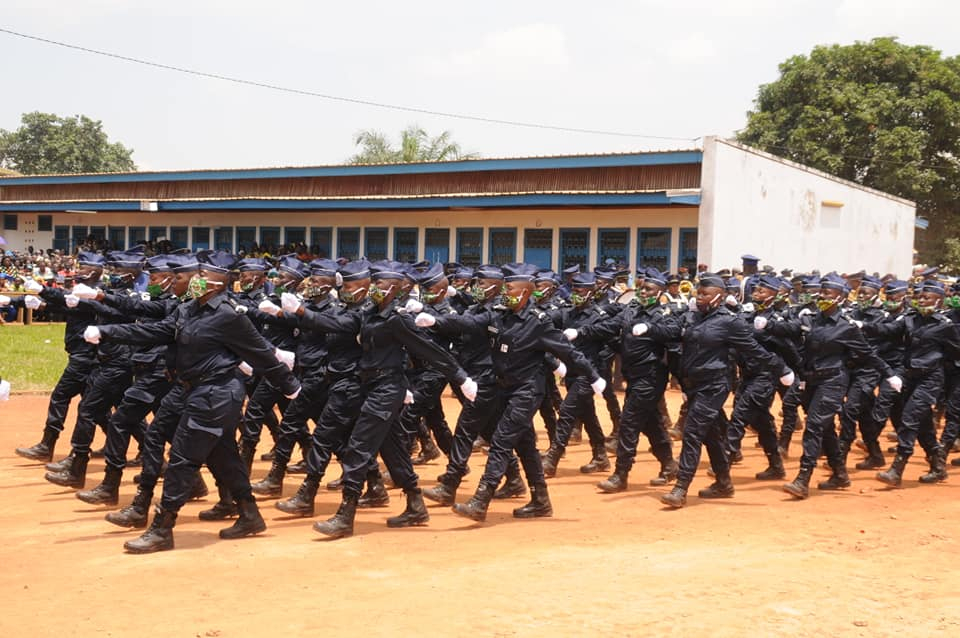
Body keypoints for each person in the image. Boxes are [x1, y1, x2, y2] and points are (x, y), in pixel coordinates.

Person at [85, 250, 301, 553]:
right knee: (224, 457)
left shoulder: (228, 315)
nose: (195, 279)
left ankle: (162, 528)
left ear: (219, 281)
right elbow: (156, 330)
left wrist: (291, 387)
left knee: (182, 459)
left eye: (201, 274)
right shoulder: (189, 309)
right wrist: (107, 331)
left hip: (217, 394)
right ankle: (249, 514)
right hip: (192, 390)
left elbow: (260, 353)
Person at [284, 260, 476, 539]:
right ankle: (415, 504)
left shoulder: (398, 319)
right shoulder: (369, 313)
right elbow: (337, 323)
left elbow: (430, 350)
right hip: (369, 384)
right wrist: (302, 312)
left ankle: (345, 515)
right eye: (373, 282)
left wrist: (461, 378)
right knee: (393, 449)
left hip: (386, 388)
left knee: (359, 447)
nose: (373, 287)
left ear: (394, 288)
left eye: (379, 284)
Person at [418, 263, 603, 523]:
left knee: (502, 441)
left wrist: (593, 377)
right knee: (526, 446)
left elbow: (569, 353)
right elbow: (468, 322)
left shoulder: (538, 322)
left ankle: (480, 500)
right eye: (504, 288)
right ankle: (540, 500)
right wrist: (436, 321)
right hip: (502, 387)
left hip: (526, 391)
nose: (505, 293)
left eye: (510, 289)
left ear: (525, 293)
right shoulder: (498, 315)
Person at [659, 273, 793, 508]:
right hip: (693, 384)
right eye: (698, 293)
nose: (699, 297)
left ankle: (680, 488)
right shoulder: (692, 317)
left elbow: (754, 349)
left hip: (714, 385)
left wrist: (781, 369)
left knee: (692, 433)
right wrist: (647, 328)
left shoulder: (730, 322)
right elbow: (669, 332)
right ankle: (723, 483)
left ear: (719, 297)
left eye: (705, 294)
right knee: (711, 435)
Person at [763, 273, 900, 499]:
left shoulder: (846, 327)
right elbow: (790, 328)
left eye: (827, 293)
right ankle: (839, 474)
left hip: (833, 382)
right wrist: (768, 325)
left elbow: (868, 354)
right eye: (822, 292)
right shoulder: (811, 319)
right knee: (825, 429)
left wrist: (889, 375)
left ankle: (803, 478)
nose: (822, 296)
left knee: (814, 426)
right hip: (811, 381)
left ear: (841, 297)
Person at [866, 279, 960, 486]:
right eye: (920, 297)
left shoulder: (945, 326)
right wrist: (862, 325)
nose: (922, 300)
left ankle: (897, 468)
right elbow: (887, 330)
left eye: (927, 298)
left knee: (909, 419)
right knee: (924, 425)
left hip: (930, 379)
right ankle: (938, 467)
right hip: (909, 376)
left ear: (939, 301)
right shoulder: (910, 319)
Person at [596, 268, 681, 492]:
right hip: (633, 376)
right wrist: (585, 331)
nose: (643, 292)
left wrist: (651, 329)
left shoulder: (664, 314)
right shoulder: (632, 311)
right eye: (642, 288)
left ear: (660, 292)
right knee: (651, 422)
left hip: (651, 376)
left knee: (629, 422)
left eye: (649, 289)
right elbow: (612, 328)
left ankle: (620, 474)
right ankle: (669, 465)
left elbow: (672, 333)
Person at [14, 252, 102, 463]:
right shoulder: (84, 292)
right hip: (85, 355)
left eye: (83, 267)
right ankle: (143, 446)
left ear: (93, 272)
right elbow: (65, 304)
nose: (78, 271)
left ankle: (48, 445)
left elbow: (66, 300)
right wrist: (37, 304)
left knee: (61, 396)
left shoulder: (94, 294)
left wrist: (43, 290)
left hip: (85, 356)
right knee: (96, 407)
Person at [540, 271, 616, 477]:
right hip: (572, 372)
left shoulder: (599, 316)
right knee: (588, 415)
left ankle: (553, 458)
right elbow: (548, 318)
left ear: (591, 292)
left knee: (566, 412)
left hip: (589, 373)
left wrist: (583, 333)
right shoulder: (568, 313)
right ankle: (600, 456)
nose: (575, 294)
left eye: (580, 291)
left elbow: (608, 335)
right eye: (573, 290)